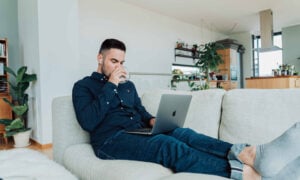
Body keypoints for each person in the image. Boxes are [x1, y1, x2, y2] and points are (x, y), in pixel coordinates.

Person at [72, 38, 300, 180]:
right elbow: (89, 122)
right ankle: (247, 174)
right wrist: (111, 84)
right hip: (111, 140)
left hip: (139, 132)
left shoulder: (129, 86)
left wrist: (152, 120)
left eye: (122, 62)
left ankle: (245, 153)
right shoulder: (83, 87)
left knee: (184, 134)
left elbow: (140, 111)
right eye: (114, 61)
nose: (119, 67)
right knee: (167, 145)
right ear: (99, 58)